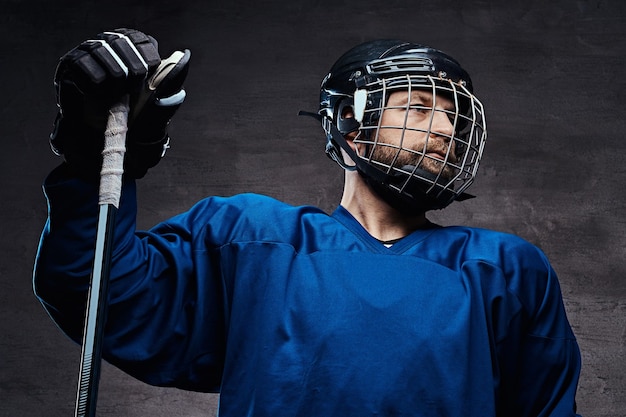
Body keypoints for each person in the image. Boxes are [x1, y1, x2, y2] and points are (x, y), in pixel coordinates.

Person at [33, 28, 582, 416]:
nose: (442, 129)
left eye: (449, 116)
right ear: (349, 120)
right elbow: (100, 295)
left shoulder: (506, 269)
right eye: (418, 107)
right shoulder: (249, 240)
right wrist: (92, 160)